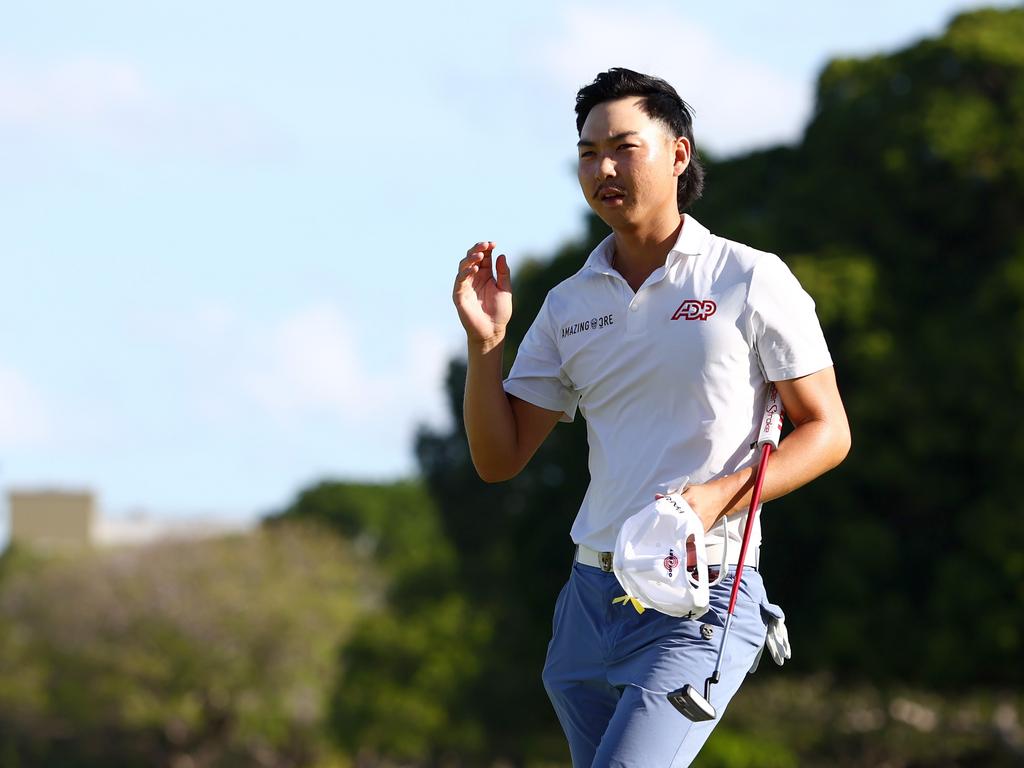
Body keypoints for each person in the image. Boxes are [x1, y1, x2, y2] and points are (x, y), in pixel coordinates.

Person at [451, 68, 851, 767]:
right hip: (588, 599)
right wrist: (486, 347)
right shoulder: (569, 304)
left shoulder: (749, 278)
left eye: (623, 147)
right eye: (587, 152)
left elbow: (828, 431)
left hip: (703, 592)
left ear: (678, 154)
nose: (603, 166)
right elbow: (498, 458)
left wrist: (713, 498)